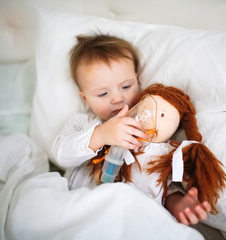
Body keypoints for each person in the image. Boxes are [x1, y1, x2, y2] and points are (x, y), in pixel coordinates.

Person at [51, 34, 211, 225]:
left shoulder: (149, 131)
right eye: (103, 93)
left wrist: (178, 204)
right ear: (85, 98)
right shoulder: (81, 124)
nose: (117, 98)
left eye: (126, 86)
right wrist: (100, 135)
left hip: (128, 217)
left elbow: (159, 182)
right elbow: (61, 155)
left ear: (137, 80)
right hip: (81, 209)